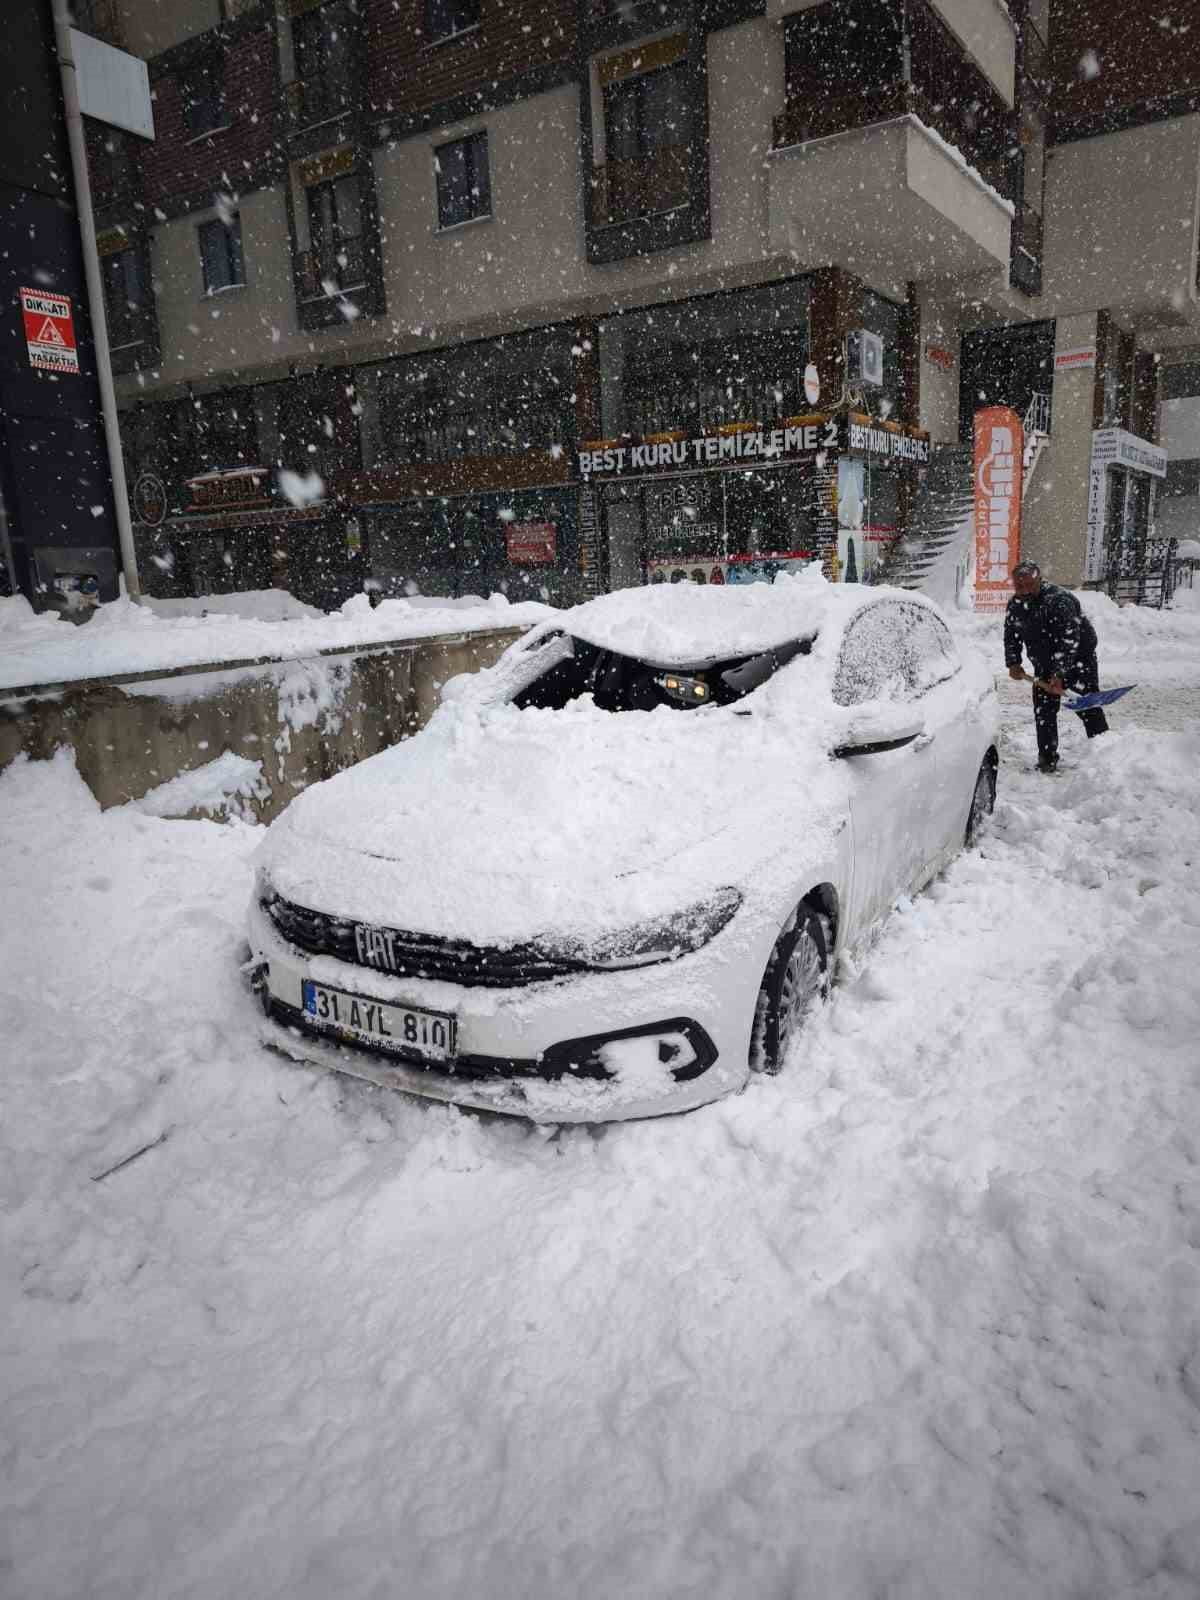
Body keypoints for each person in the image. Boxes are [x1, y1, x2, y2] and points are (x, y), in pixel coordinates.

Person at [1003, 560, 1108, 772]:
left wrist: (1060, 673)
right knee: (1044, 712)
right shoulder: (1016, 604)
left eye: (1027, 585)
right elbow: (1011, 635)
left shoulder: (1059, 600)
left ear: (1039, 580)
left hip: (1078, 660)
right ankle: (1047, 758)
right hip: (1044, 664)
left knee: (1087, 707)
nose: (1022, 590)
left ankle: (1105, 754)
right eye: (1018, 585)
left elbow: (1069, 640)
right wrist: (1013, 662)